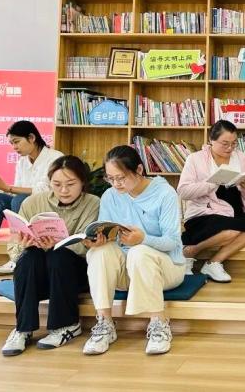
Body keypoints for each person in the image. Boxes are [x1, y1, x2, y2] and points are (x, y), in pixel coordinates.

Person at [82, 146, 184, 356]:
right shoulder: (110, 196)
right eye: (110, 178)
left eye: (121, 178)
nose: (115, 184)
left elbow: (173, 242)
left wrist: (143, 239)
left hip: (166, 268)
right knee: (99, 253)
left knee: (139, 251)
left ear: (139, 169)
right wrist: (98, 240)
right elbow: (108, 231)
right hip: (127, 271)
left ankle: (158, 323)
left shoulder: (165, 193)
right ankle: (104, 324)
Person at [1, 156, 100, 356]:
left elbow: (89, 246)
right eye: (57, 184)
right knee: (29, 257)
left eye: (70, 184)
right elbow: (13, 248)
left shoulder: (93, 203)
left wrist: (57, 245)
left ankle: (67, 325)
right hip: (40, 275)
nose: (63, 190)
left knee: (59, 255)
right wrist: (23, 244)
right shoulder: (33, 202)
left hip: (75, 274)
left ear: (83, 182)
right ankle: (22, 329)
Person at [177, 120, 245, 283]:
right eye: (225, 144)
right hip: (204, 214)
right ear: (211, 140)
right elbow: (183, 192)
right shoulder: (195, 159)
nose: (230, 148)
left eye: (234, 143)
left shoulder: (241, 157)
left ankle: (213, 263)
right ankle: (190, 251)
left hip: (233, 212)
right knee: (232, 230)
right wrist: (212, 183)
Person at [0, 120, 63, 275]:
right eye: (11, 143)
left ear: (31, 138)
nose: (14, 147)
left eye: (16, 142)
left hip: (47, 206)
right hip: (23, 204)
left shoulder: (55, 157)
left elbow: (44, 190)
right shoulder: (22, 162)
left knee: (20, 200)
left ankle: (19, 255)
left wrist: (6, 187)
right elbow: (14, 191)